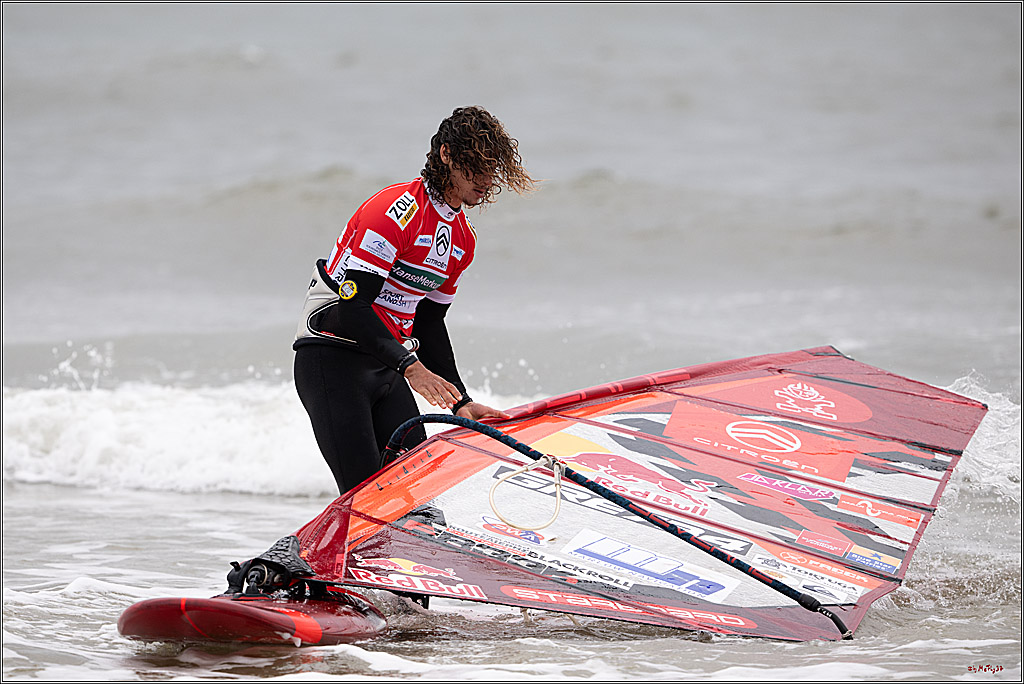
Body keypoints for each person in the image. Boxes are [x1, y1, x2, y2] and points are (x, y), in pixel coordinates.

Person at [293, 106, 535, 497]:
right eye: (476, 166)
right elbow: (352, 310)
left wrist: (460, 401)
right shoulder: (393, 213)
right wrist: (412, 368)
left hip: (386, 366)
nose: (487, 180)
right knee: (365, 500)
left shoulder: (462, 240)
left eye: (493, 169)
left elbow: (428, 323)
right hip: (332, 361)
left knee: (413, 497)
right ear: (446, 155)